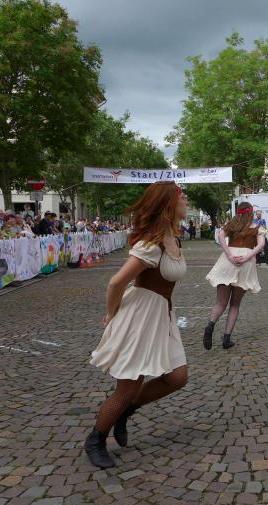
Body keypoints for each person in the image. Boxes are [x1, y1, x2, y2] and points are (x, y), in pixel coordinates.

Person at [86, 181, 189, 469]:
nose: (186, 202)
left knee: (177, 377)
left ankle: (126, 412)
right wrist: (112, 314)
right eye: (181, 197)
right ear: (169, 205)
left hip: (162, 315)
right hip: (141, 317)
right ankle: (95, 440)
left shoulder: (173, 239)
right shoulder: (151, 245)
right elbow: (116, 282)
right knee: (128, 387)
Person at [204, 201, 265, 350]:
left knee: (220, 303)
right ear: (251, 212)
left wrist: (229, 255)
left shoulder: (231, 225)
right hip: (246, 264)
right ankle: (226, 339)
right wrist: (248, 256)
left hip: (227, 262)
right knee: (235, 304)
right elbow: (260, 245)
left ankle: (210, 327)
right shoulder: (257, 228)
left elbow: (220, 236)